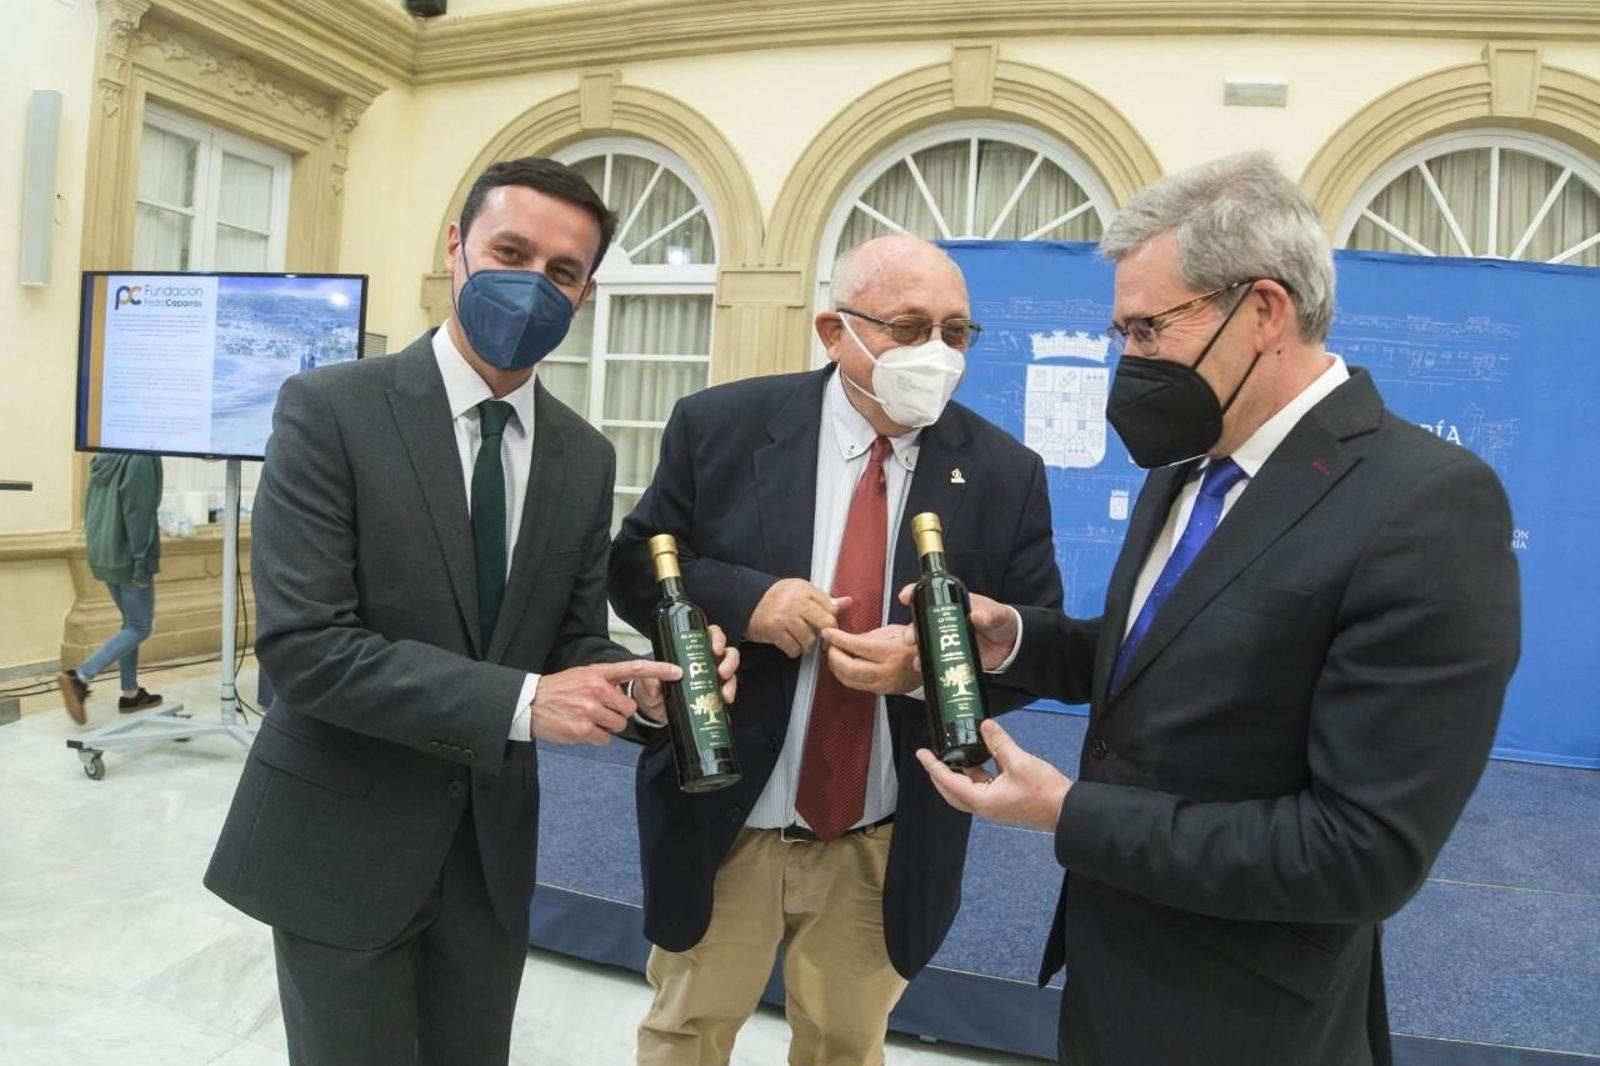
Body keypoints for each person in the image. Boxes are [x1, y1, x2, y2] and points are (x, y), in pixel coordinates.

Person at [914, 152, 1522, 1066]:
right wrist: (1017, 641)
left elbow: (1359, 851)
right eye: (1121, 333)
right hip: (1113, 976)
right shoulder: (1187, 469)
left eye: (1147, 329)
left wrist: (1069, 814)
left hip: (1252, 1017)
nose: (1130, 361)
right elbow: (1167, 659)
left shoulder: (1426, 504)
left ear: (1264, 311)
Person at [205, 157, 735, 1066]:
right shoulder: (331, 410)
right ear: (454, 247)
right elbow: (306, 650)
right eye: (511, 251)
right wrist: (526, 704)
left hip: (488, 858)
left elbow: (563, 638)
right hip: (343, 843)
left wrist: (641, 690)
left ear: (586, 293)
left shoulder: (583, 455)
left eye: (562, 273)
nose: (534, 285)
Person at [608, 234, 1063, 1065]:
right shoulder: (721, 425)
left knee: (845, 1047)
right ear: (834, 331)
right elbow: (638, 565)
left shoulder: (1004, 472)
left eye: (956, 332)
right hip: (729, 814)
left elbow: (1035, 645)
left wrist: (932, 668)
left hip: (882, 838)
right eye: (909, 325)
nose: (936, 352)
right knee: (686, 1033)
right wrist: (749, 601)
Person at [58, 451, 165, 723]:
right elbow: (138, 514)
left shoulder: (105, 455)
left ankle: (130, 693)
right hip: (129, 556)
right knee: (140, 627)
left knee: (129, 624)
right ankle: (80, 677)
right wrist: (142, 562)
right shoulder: (141, 457)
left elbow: (90, 507)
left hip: (104, 552)